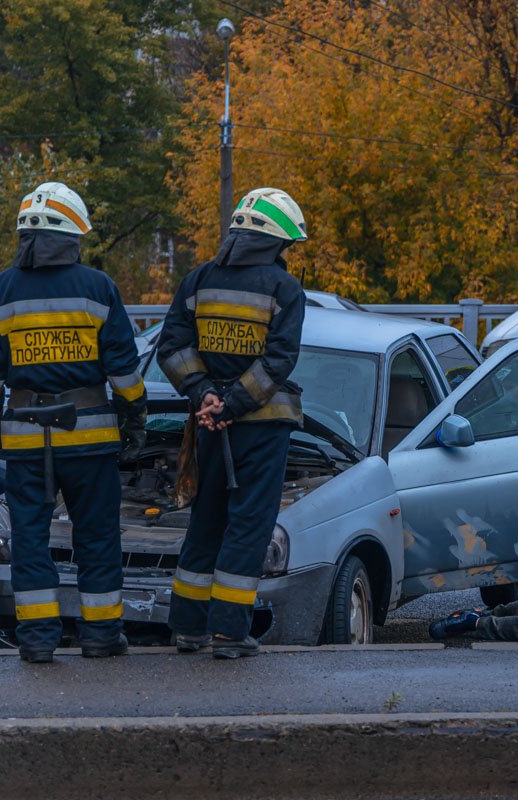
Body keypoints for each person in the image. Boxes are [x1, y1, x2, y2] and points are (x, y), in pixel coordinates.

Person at [0, 181, 147, 663]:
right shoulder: (97, 288)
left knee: (30, 540)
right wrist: (135, 422)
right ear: (70, 234)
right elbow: (125, 373)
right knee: (96, 538)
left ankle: (38, 641)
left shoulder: (0, 291)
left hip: (25, 442)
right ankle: (101, 636)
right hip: (90, 442)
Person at [155, 187, 307, 659]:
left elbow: (173, 349)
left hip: (208, 424)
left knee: (206, 520)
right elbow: (279, 360)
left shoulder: (198, 280)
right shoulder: (285, 290)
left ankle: (187, 627)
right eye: (287, 245)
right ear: (274, 243)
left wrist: (205, 396)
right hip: (260, 426)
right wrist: (232, 403)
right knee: (248, 526)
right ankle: (228, 633)